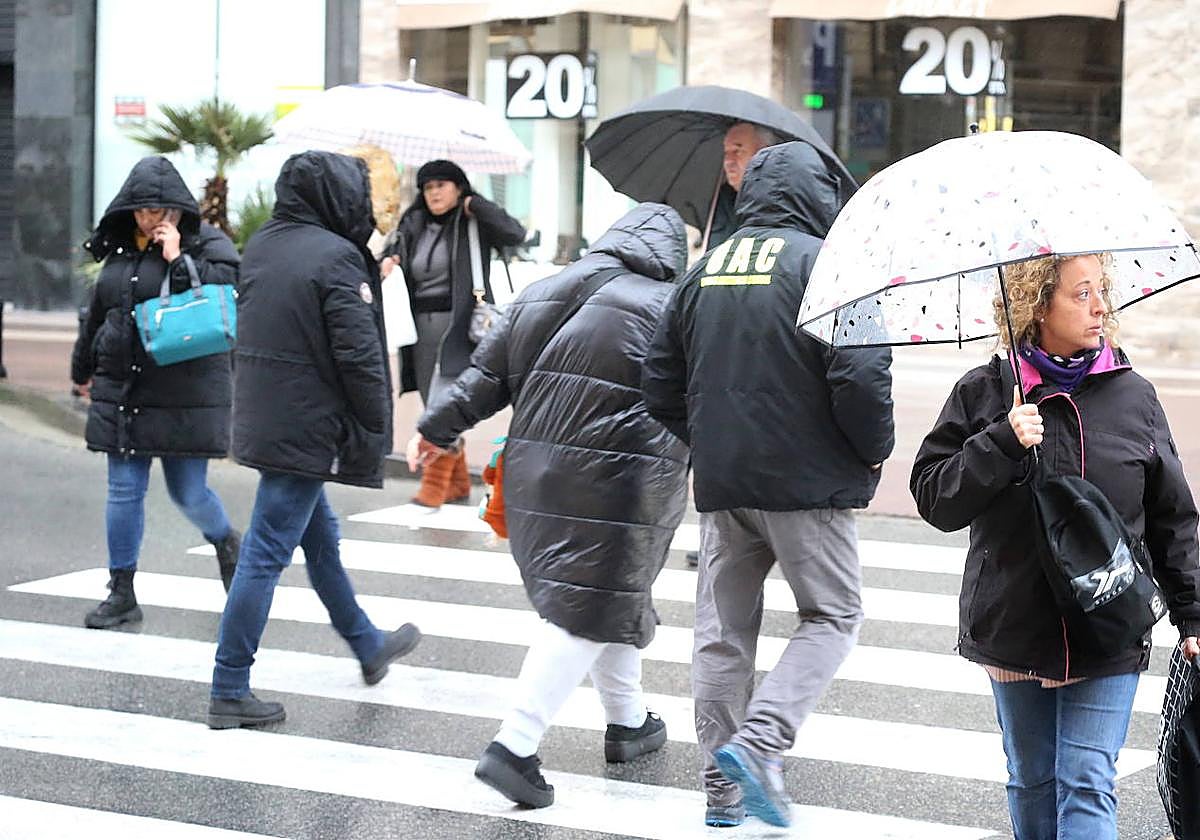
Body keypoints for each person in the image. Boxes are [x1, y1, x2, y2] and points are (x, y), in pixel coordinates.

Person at [642, 141, 894, 829]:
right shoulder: (831, 265)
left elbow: (657, 382)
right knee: (834, 615)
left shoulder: (706, 268)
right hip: (808, 482)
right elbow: (863, 375)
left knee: (723, 635)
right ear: (817, 197)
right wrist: (871, 453)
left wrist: (711, 440)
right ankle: (760, 745)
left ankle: (720, 793)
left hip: (725, 484)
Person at [408, 203, 691, 808]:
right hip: (623, 477)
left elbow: (483, 378)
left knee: (606, 593)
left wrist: (434, 430)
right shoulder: (669, 306)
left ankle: (629, 720)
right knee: (586, 606)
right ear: (670, 254)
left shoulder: (544, 290)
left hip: (535, 471)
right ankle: (515, 745)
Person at [910, 253, 1200, 840]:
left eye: (1101, 291)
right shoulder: (984, 393)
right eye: (1081, 294)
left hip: (1109, 624)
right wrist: (999, 443)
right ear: (1036, 305)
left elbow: (1172, 513)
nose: (1100, 307)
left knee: (1088, 780)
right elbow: (934, 498)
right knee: (1033, 781)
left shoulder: (1133, 395)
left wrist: (1193, 612)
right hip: (1015, 623)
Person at [207, 150, 421, 729]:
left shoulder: (265, 246)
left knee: (320, 538)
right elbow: (358, 358)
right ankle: (229, 686)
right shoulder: (335, 258)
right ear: (335, 197)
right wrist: (376, 426)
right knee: (264, 554)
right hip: (307, 426)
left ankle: (366, 643)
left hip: (268, 416)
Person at [70, 156, 242, 629]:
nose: (152, 219)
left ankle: (228, 542)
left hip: (186, 391)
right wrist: (81, 368)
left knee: (188, 493)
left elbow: (224, 302)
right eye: (143, 209)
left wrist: (178, 261)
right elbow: (97, 313)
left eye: (161, 209)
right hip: (125, 386)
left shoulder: (211, 245)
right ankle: (121, 592)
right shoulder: (119, 249)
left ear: (180, 207)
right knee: (124, 491)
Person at [381, 159, 526, 509]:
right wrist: (389, 259)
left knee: (445, 399)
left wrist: (477, 204)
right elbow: (394, 249)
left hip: (461, 326)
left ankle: (434, 484)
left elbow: (515, 233)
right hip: (420, 324)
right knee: (435, 396)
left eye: (441, 186)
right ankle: (458, 482)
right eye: (428, 188)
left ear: (459, 187)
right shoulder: (413, 222)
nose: (434, 194)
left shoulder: (472, 220)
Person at [704, 121, 781, 251]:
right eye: (726, 152)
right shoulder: (721, 199)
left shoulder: (784, 203)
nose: (728, 161)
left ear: (764, 153)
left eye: (737, 150)